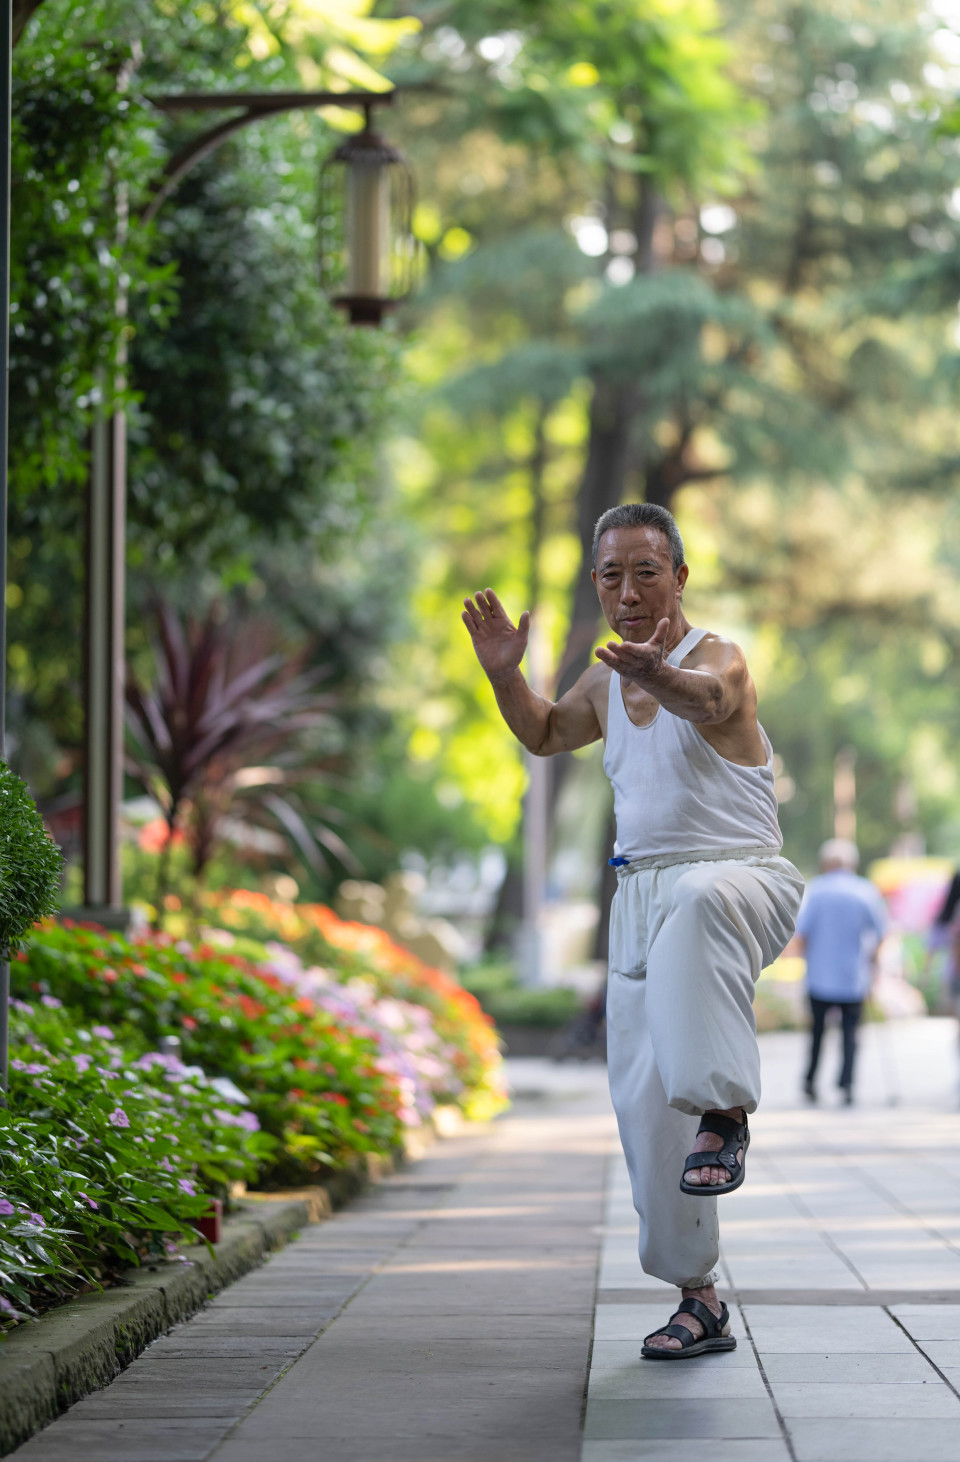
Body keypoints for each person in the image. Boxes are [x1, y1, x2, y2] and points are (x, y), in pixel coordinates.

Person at [462, 502, 802, 1360]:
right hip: (640, 903)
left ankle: (725, 1111)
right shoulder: (603, 680)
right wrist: (506, 673)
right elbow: (543, 734)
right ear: (597, 585)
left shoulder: (714, 657)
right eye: (611, 575)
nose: (628, 590)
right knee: (649, 1118)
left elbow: (709, 697)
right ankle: (699, 1300)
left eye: (646, 571)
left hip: (739, 879)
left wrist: (658, 676)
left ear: (679, 578)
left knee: (698, 904)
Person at [794, 838, 887, 1106]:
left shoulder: (817, 890)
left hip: (820, 976)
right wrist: (873, 960)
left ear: (826, 863)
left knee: (817, 1033)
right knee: (850, 1034)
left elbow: (802, 933)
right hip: (853, 976)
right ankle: (846, 1085)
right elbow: (881, 932)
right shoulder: (865, 891)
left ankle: (810, 1081)